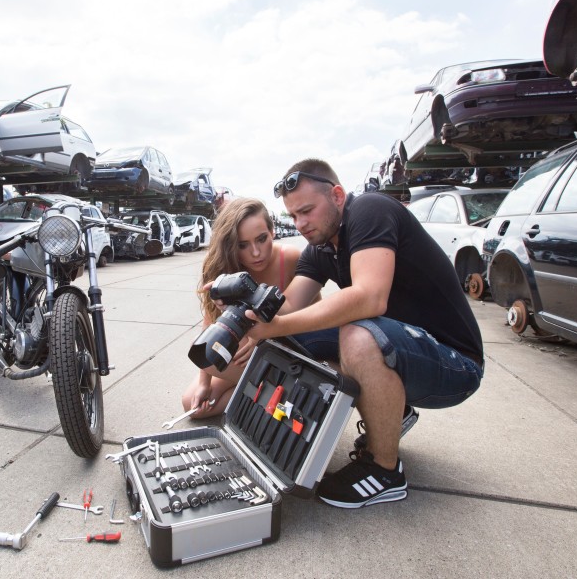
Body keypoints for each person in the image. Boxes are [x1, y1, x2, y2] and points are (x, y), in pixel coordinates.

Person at [245, 158, 483, 509]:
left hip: (455, 363)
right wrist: (243, 304)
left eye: (307, 210)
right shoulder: (321, 248)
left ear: (338, 195)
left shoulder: (369, 210)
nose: (301, 223)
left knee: (358, 334)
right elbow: (290, 308)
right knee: (291, 338)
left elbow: (371, 297)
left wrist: (277, 325)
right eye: (294, 216)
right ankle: (391, 412)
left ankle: (385, 471)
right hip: (405, 349)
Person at [181, 197, 316, 418]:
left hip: (290, 348)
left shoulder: (289, 258)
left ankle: (268, 396)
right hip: (249, 357)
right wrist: (204, 382)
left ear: (272, 231)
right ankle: (264, 396)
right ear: (231, 245)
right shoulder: (225, 269)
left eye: (262, 239)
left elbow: (311, 314)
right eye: (243, 245)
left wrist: (262, 336)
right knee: (192, 405)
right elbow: (211, 324)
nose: (256, 252)